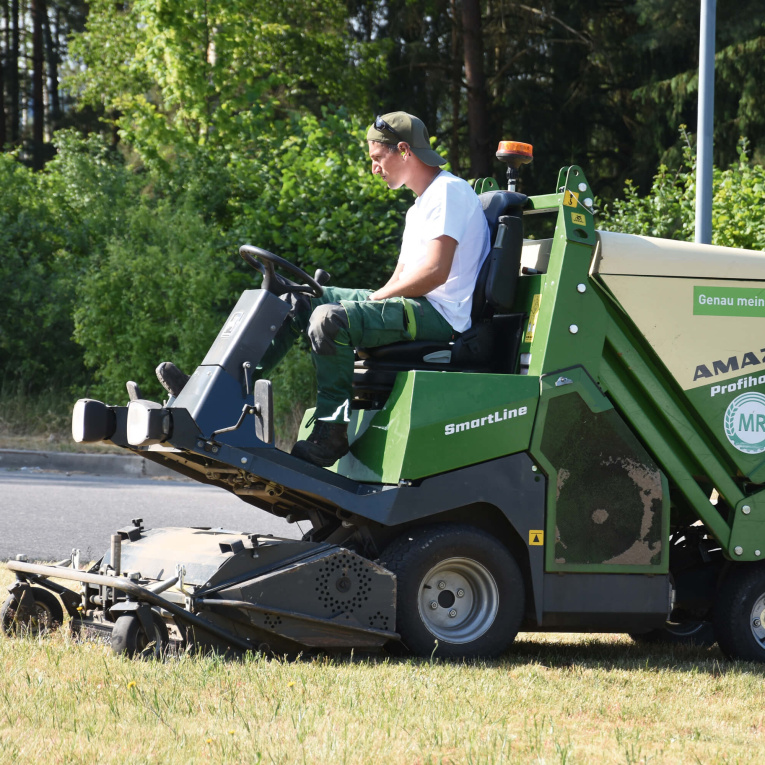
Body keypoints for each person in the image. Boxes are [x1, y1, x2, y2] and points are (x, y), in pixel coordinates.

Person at [157, 111, 490, 468]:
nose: (375, 169)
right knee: (297, 298)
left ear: (404, 150)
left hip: (440, 315)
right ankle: (220, 391)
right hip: (414, 304)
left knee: (329, 320)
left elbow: (435, 273)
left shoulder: (449, 192)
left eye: (377, 159)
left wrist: (375, 300)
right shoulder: (421, 205)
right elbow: (401, 276)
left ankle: (332, 431)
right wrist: (375, 298)